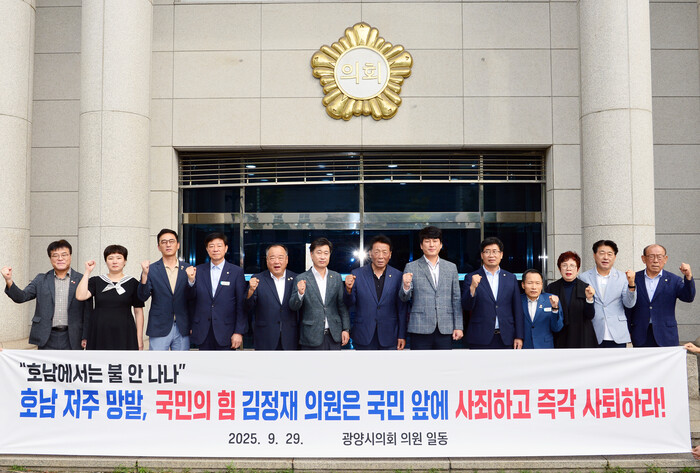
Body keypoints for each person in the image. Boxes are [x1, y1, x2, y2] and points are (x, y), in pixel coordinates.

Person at [2, 240, 89, 350]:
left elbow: (88, 311)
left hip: (73, 336)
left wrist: (86, 336)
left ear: (70, 256)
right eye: (55, 255)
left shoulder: (81, 279)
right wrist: (9, 280)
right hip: (46, 336)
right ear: (50, 258)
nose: (60, 258)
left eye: (64, 255)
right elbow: (21, 297)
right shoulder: (41, 279)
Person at [400, 226, 463, 350]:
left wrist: (458, 326)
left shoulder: (451, 267)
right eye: (427, 241)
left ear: (441, 245)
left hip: (445, 326)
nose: (431, 245)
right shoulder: (411, 267)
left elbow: (456, 299)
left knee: (444, 362)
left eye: (435, 241)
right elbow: (403, 298)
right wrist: (406, 286)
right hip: (420, 327)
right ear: (421, 245)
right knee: (420, 362)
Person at [344, 235, 408, 350]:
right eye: (377, 252)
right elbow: (349, 303)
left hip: (389, 335)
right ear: (370, 254)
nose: (381, 256)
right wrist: (348, 290)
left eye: (384, 252)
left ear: (390, 254)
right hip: (363, 334)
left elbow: (402, 308)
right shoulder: (357, 274)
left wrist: (402, 335)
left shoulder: (398, 276)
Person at [76, 245, 145, 350]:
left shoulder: (132, 283)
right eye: (110, 258)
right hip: (99, 331)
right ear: (106, 261)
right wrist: (87, 272)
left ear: (125, 261)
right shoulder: (96, 281)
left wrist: (139, 338)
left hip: (125, 332)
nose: (115, 261)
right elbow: (80, 296)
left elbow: (138, 312)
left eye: (119, 258)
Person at [185, 232, 246, 350]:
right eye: (211, 246)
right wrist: (191, 281)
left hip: (227, 331)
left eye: (219, 245)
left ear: (226, 248)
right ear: (207, 249)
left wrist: (239, 332)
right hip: (202, 330)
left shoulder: (236, 272)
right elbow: (190, 299)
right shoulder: (198, 270)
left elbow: (241, 305)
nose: (215, 249)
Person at [462, 236, 524, 349]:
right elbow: (466, 306)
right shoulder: (471, 277)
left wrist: (519, 336)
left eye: (495, 251)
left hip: (506, 337)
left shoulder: (511, 278)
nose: (491, 255)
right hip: (480, 337)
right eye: (487, 252)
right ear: (482, 255)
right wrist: (472, 288)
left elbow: (517, 309)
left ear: (501, 255)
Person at [628, 244, 695, 347]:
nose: (655, 261)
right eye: (651, 256)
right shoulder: (634, 279)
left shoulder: (674, 280)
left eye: (659, 257)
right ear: (643, 259)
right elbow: (628, 307)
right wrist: (627, 330)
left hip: (666, 334)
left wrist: (688, 276)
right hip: (640, 334)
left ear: (665, 259)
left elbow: (688, 297)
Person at [289, 237, 350, 350]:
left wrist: (346, 329)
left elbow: (342, 306)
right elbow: (293, 306)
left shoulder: (336, 277)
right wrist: (300, 294)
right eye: (319, 252)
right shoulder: (301, 278)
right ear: (311, 255)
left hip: (334, 335)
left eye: (326, 253)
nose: (322, 257)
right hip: (310, 336)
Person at [137, 229, 192, 351]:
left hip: (182, 326)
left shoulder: (188, 269)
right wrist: (144, 275)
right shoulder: (151, 269)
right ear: (158, 247)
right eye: (164, 242)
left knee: (181, 362)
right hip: (159, 326)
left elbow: (192, 297)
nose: (168, 245)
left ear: (178, 245)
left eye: (171, 241)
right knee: (157, 362)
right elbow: (142, 297)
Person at [579, 240, 637, 348]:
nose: (606, 257)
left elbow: (629, 304)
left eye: (610, 254)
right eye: (602, 253)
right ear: (594, 255)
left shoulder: (623, 277)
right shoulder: (584, 277)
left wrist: (631, 284)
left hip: (617, 333)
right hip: (593, 332)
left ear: (614, 257)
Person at [244, 244, 299, 350]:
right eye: (272, 258)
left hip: (290, 337)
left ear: (287, 260)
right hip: (265, 337)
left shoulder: (296, 279)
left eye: (280, 258)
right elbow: (247, 307)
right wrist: (250, 290)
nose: (276, 262)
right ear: (267, 260)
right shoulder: (258, 279)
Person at [545, 251, 597, 348]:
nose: (568, 268)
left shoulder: (586, 288)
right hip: (559, 336)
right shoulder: (551, 288)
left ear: (578, 269)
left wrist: (589, 299)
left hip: (581, 336)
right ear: (559, 268)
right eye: (564, 265)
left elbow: (590, 315)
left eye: (572, 265)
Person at [520, 269, 562, 349]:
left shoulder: (551, 300)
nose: (534, 287)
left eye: (537, 283)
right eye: (530, 283)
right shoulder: (517, 300)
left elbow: (557, 328)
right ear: (523, 285)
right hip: (523, 346)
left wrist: (555, 309)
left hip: (545, 346)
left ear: (542, 285)